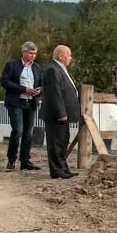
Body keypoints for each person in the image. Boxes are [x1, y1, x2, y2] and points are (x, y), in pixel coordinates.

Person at [0, 41, 44, 171]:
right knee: (18, 130)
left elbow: (42, 82)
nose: (33, 56)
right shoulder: (11, 65)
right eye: (30, 53)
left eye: (35, 53)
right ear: (23, 52)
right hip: (16, 102)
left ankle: (25, 161)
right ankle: (11, 160)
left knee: (28, 133)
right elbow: (4, 81)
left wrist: (39, 90)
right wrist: (23, 89)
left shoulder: (37, 67)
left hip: (31, 103)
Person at [39, 45, 79, 179]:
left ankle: (63, 168)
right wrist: (61, 113)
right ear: (61, 56)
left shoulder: (60, 69)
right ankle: (56, 170)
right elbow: (54, 93)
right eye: (69, 55)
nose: (71, 58)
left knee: (62, 142)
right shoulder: (52, 70)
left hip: (63, 115)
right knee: (56, 143)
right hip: (56, 115)